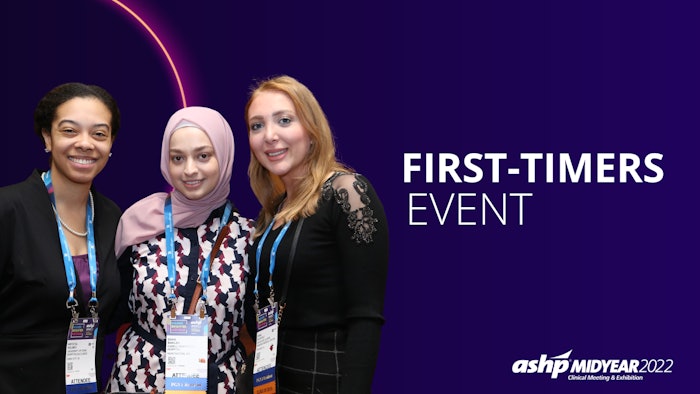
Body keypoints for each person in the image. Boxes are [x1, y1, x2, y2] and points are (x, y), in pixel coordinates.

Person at [243, 75, 389, 394]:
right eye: (257, 126)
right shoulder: (274, 209)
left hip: (323, 383)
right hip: (271, 381)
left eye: (284, 120)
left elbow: (365, 318)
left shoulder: (347, 193)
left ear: (311, 130)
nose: (270, 135)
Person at [106, 106, 255, 394]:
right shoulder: (139, 223)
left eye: (203, 156)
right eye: (177, 158)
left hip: (222, 383)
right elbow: (113, 310)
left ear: (224, 157)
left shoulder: (248, 235)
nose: (189, 170)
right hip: (138, 379)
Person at [0, 82, 123, 393]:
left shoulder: (113, 218)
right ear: (47, 137)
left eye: (99, 134)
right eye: (70, 131)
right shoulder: (8, 210)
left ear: (110, 144)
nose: (85, 143)